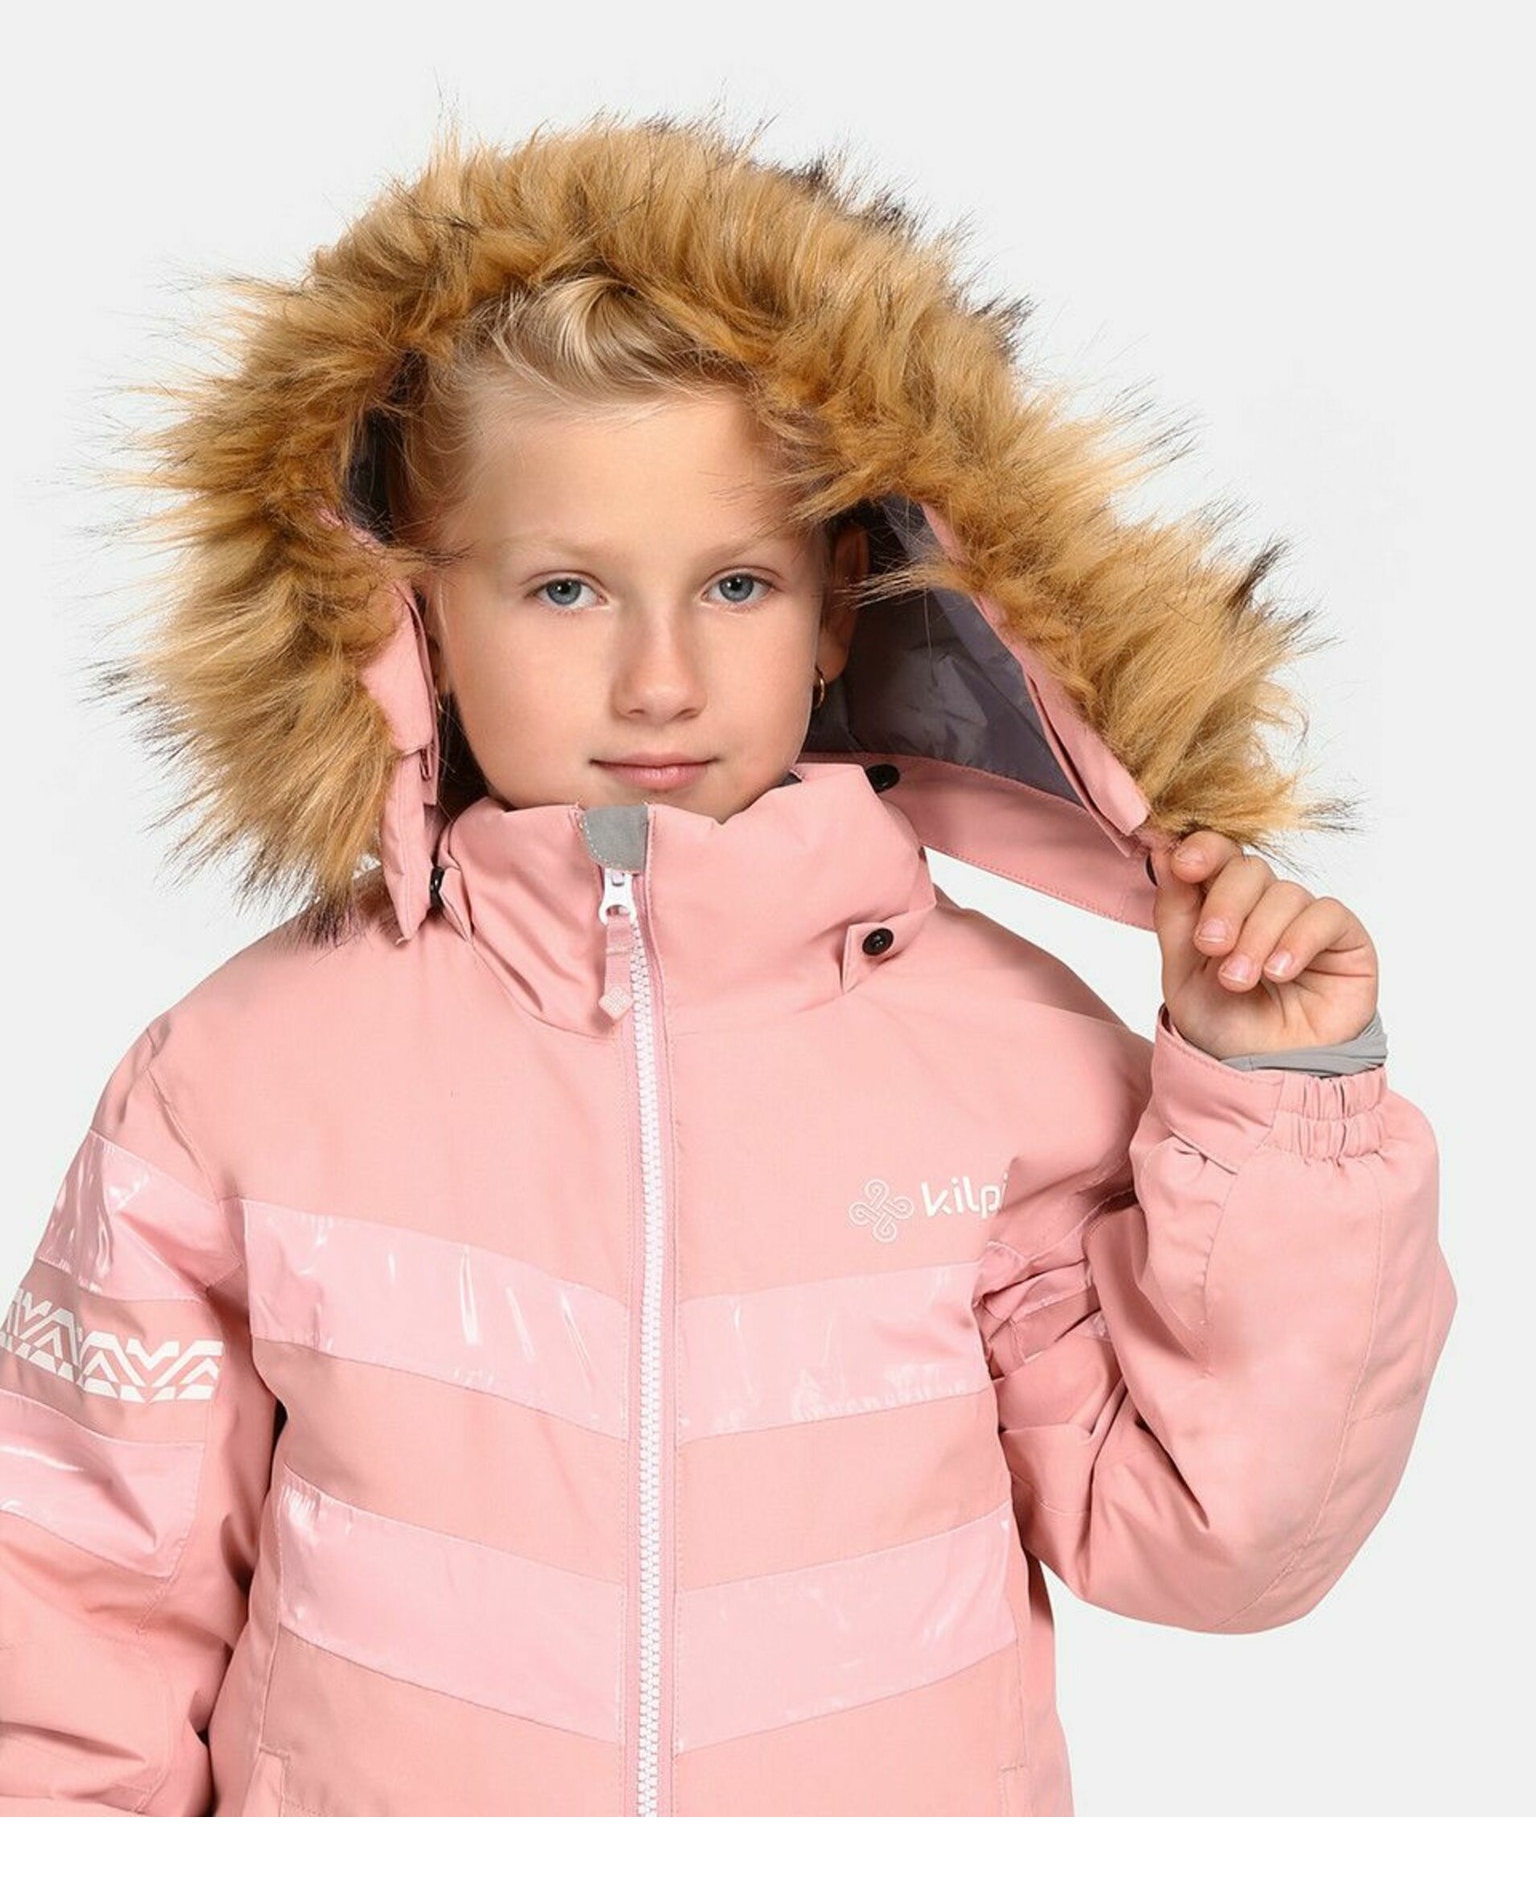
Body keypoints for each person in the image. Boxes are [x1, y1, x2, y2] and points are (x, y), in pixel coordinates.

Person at [0, 114, 1455, 1818]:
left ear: (844, 602)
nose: (661, 679)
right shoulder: (242, 1075)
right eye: (565, 590)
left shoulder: (1005, 1059)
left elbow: (1217, 1540)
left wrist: (1275, 1107)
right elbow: (79, 1600)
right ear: (415, 615)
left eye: (740, 583)